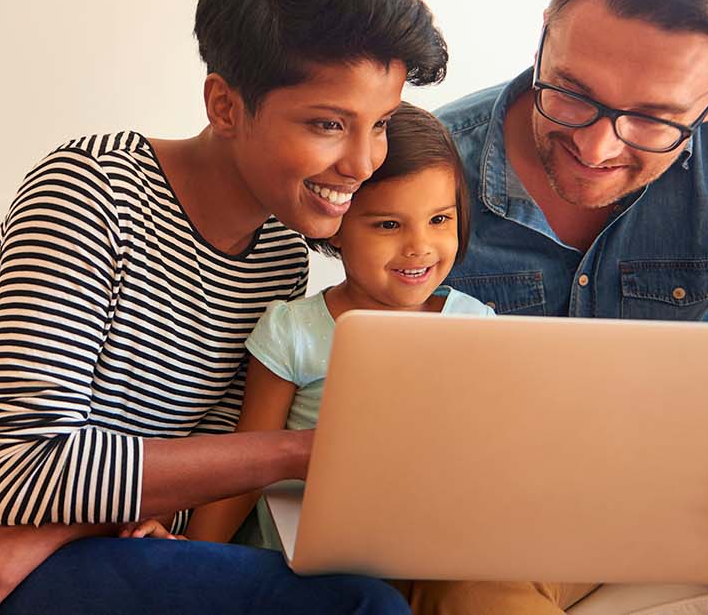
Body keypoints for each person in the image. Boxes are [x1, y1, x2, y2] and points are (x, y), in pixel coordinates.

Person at [0, 0, 449, 615]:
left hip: (90, 546)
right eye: (328, 124)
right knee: (362, 609)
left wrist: (62, 531)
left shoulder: (275, 256)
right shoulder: (90, 192)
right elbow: (25, 474)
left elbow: (190, 478)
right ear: (225, 106)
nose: (362, 162)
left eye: (381, 122)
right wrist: (299, 452)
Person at [402, 0, 708, 614]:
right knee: (466, 589)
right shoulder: (427, 169)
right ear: (546, 32)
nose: (598, 147)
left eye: (652, 118)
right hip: (515, 522)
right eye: (573, 92)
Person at [119, 103, 496, 549]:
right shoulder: (292, 330)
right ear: (336, 225)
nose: (420, 247)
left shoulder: (477, 327)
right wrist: (197, 552)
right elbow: (248, 463)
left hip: (428, 544)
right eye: (389, 224)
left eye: (439, 220)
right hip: (301, 558)